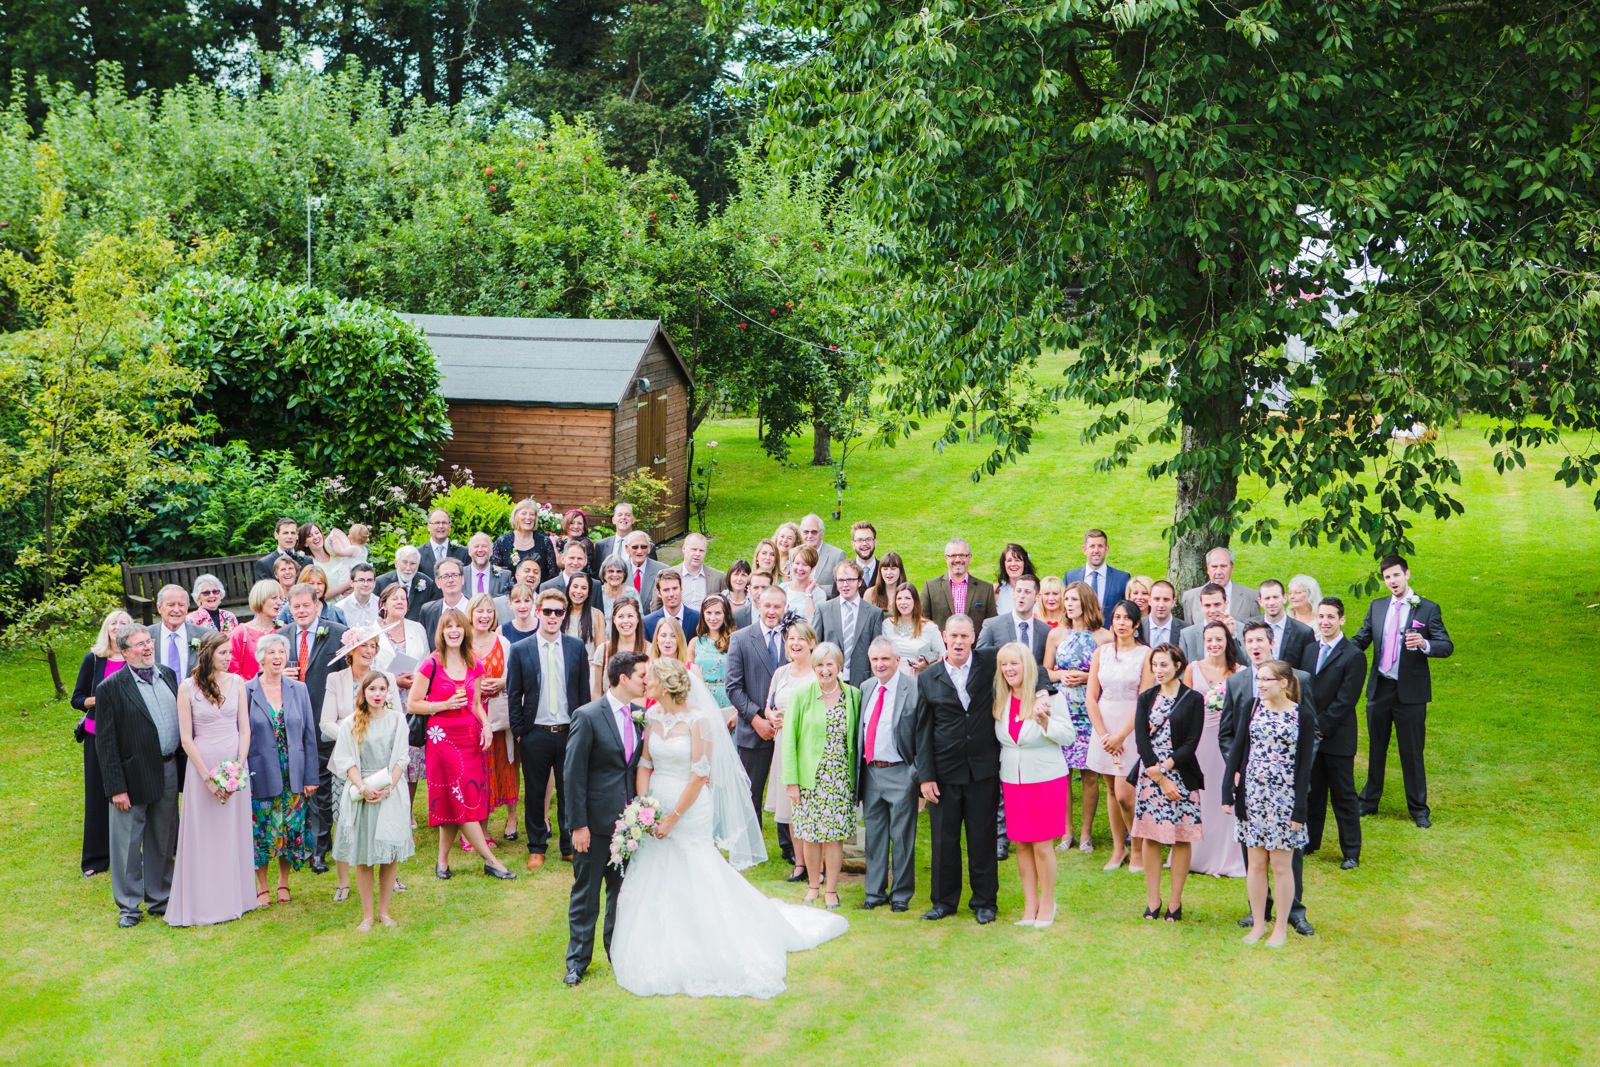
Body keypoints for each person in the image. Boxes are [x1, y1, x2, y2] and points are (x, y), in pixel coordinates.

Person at [609, 655, 846, 998]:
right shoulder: (653, 716)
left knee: (696, 868)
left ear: (667, 684)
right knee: (656, 869)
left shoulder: (698, 721)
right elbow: (645, 763)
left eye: (652, 678)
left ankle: (709, 936)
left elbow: (699, 775)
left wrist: (673, 818)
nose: (646, 682)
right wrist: (646, 808)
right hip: (657, 804)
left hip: (690, 808)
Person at [1218, 622, 1316, 934]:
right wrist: (1236, 771)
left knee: (1287, 859)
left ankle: (1294, 912)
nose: (1254, 645)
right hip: (1252, 788)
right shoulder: (1238, 685)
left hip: (1286, 790)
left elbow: (1311, 737)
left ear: (1271, 642)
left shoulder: (1301, 680)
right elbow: (1229, 735)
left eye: (1260, 639)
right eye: (1249, 641)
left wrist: (1296, 775)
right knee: (1255, 858)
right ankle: (1258, 913)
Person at [562, 652, 649, 986]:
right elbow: (573, 774)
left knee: (621, 894)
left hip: (628, 823)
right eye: (642, 675)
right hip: (593, 824)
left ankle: (617, 953)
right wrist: (578, 825)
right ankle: (577, 961)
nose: (646, 681)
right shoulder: (587, 716)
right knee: (586, 895)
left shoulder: (641, 715)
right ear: (623, 678)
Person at [410, 608, 515, 880]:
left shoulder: (474, 663)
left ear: (464, 631)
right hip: (442, 742)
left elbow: (476, 704)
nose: (454, 631)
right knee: (461, 802)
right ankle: (491, 861)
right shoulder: (431, 664)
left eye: (458, 626)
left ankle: (442, 862)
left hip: (469, 740)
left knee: (455, 802)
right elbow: (413, 703)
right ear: (441, 632)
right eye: (449, 627)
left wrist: (487, 725)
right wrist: (443, 705)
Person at [1351, 554, 1452, 827]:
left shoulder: (1428, 609)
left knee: (1412, 752)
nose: (1392, 581)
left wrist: (1425, 644)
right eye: (1387, 577)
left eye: (1396, 575)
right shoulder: (1377, 607)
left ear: (1407, 574)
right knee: (1376, 748)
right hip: (1380, 688)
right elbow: (1361, 639)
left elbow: (1446, 645)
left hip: (1411, 694)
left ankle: (1418, 809)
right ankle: (1369, 801)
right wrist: (1335, 648)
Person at [914, 615, 1002, 923]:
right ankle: (943, 901)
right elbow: (922, 730)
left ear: (974, 636)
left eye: (965, 636)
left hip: (982, 770)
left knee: (982, 838)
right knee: (944, 841)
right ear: (944, 637)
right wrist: (925, 777)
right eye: (954, 636)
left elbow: (1029, 666)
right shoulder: (929, 677)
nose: (959, 642)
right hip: (944, 773)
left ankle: (984, 902)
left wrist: (1043, 691)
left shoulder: (990, 663)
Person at [166, 632, 257, 927]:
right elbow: (186, 738)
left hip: (234, 763)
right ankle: (204, 902)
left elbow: (244, 729)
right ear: (208, 653)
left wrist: (239, 766)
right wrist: (207, 778)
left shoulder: (238, 683)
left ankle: (237, 897)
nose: (229, 658)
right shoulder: (187, 687)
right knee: (204, 833)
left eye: (230, 653)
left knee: (233, 830)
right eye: (223, 653)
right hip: (202, 765)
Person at [94, 627, 181, 928]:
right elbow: (105, 743)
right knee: (127, 845)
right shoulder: (110, 687)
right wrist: (116, 788)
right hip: (131, 778)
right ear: (125, 652)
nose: (147, 648)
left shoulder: (167, 675)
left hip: (168, 769)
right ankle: (129, 907)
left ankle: (160, 898)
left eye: (148, 641)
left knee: (163, 839)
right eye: (139, 644)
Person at [506, 590, 591, 872]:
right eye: (547, 611)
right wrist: (520, 730)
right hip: (536, 732)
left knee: (570, 790)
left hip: (568, 731)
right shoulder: (521, 649)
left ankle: (568, 846)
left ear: (564, 615)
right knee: (535, 791)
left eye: (558, 612)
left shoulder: (576, 647)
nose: (552, 617)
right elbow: (514, 693)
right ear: (538, 612)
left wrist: (582, 729)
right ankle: (536, 847)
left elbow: (583, 692)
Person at [992, 642, 1074, 927]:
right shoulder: (1001, 698)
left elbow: (1068, 735)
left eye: (1014, 663)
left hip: (1044, 779)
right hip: (1013, 780)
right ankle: (1030, 905)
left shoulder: (1049, 697)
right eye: (1004, 664)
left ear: (1027, 666)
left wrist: (1045, 723)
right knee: (1022, 845)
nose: (1009, 669)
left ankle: (1048, 904)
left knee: (1041, 845)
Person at [329, 671, 415, 931]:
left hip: (390, 791)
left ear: (388, 692)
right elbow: (346, 760)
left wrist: (389, 787)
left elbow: (402, 757)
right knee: (363, 856)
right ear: (363, 693)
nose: (377, 694)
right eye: (372, 689)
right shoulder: (351, 722)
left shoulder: (398, 720)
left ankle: (384, 912)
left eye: (381, 689)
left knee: (388, 855)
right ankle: (367, 915)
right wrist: (362, 786)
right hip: (362, 792)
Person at [783, 642, 861, 909]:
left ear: (839, 666)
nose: (825, 670)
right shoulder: (802, 695)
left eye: (830, 664)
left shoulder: (853, 695)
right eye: (819, 665)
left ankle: (831, 890)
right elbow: (789, 740)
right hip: (809, 779)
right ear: (813, 668)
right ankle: (813, 886)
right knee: (810, 836)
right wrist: (791, 782)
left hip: (840, 778)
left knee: (835, 837)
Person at [278, 582, 348, 872]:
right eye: (296, 607)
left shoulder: (338, 633)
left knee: (321, 786)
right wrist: (280, 674)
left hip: (324, 718)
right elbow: (266, 675)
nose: (301, 611)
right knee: (295, 785)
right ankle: (298, 843)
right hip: (291, 722)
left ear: (317, 605)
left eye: (306, 605)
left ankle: (320, 849)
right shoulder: (281, 637)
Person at [244, 634, 319, 907]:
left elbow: (309, 734)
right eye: (271, 652)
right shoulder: (247, 690)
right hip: (261, 771)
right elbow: (242, 734)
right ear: (261, 657)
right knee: (262, 830)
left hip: (294, 772)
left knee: (291, 828)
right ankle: (262, 885)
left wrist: (311, 776)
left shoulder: (298, 689)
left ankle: (284, 882)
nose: (277, 657)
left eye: (281, 652)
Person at [1132, 644, 1205, 922]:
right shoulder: (1146, 698)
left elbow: (1191, 742)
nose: (1158, 670)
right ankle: (1153, 900)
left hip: (1181, 774)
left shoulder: (1193, 699)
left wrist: (1167, 768)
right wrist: (1159, 775)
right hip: (1151, 776)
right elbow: (1141, 739)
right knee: (1151, 837)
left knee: (1181, 837)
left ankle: (1175, 902)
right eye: (1155, 665)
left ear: (1178, 665)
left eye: (1164, 664)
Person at [319, 625, 392, 901]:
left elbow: (394, 717)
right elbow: (326, 722)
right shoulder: (336, 679)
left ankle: (389, 873)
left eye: (374, 646)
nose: (370, 651)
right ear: (351, 651)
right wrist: (351, 737)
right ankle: (342, 881)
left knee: (382, 818)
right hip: (346, 760)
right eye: (364, 645)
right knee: (344, 819)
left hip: (378, 762)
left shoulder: (385, 678)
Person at [1084, 600, 1153, 871]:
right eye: (1117, 618)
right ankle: (1118, 848)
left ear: (1136, 624)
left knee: (1126, 793)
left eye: (1127, 618)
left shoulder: (1145, 654)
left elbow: (1144, 699)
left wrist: (1121, 736)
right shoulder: (1101, 652)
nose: (1121, 623)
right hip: (1104, 724)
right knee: (1111, 789)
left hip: (1130, 726)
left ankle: (1137, 848)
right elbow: (1091, 696)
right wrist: (1104, 734)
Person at [1043, 581, 1110, 851]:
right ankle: (1066, 832)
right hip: (1063, 707)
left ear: (1086, 602)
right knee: (1063, 773)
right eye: (1066, 599)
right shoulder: (1057, 635)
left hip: (1090, 708)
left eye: (1073, 599)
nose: (1068, 604)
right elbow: (1046, 671)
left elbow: (1111, 675)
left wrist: (1086, 677)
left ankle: (1085, 834)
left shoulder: (1104, 638)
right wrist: (1060, 674)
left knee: (1089, 773)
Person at [1301, 597, 1367, 869]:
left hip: (1338, 737)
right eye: (1321, 616)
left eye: (1331, 617)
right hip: (1311, 736)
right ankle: (1310, 841)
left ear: (1342, 620)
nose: (1325, 622)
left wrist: (1320, 728)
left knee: (1343, 795)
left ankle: (1351, 851)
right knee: (1313, 792)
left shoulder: (1353, 655)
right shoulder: (1309, 650)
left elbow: (1346, 699)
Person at [725, 587, 790, 854]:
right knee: (751, 790)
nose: (772, 611)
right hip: (754, 730)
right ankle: (751, 846)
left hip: (787, 729)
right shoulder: (741, 638)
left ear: (785, 607)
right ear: (759, 605)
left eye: (777, 606)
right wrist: (756, 719)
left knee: (788, 788)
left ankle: (790, 847)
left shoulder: (793, 637)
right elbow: (733, 687)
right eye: (768, 606)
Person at [857, 637, 918, 912]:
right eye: (875, 659)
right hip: (871, 772)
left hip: (900, 771)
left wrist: (916, 775)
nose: (880, 664)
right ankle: (874, 892)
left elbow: (921, 734)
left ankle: (901, 894)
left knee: (902, 837)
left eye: (885, 659)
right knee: (874, 835)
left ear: (897, 660)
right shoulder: (867, 687)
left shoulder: (913, 688)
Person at [71, 610, 133, 878]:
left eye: (123, 623)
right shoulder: (94, 659)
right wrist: (100, 699)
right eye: (113, 623)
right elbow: (77, 699)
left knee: (130, 795)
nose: (118, 627)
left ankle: (129, 853)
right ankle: (95, 858)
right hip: (97, 735)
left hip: (129, 736)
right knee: (98, 795)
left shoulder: (135, 658)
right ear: (106, 628)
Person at [1186, 621, 1247, 878]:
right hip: (1200, 739)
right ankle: (1197, 854)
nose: (1214, 644)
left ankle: (1230, 855)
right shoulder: (1193, 669)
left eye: (1219, 639)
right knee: (1202, 794)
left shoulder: (1240, 671)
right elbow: (1185, 706)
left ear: (1227, 641)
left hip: (1229, 741)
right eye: (1209, 639)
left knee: (1228, 792)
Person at [763, 620, 819, 879]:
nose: (795, 644)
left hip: (808, 746)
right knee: (791, 807)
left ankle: (817, 864)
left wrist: (794, 720)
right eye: (791, 639)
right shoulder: (781, 673)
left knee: (809, 807)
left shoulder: (817, 674)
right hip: (783, 744)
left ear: (812, 643)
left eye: (801, 639)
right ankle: (800, 864)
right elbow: (769, 705)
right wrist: (771, 716)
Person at [373, 583, 428, 822]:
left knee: (412, 756)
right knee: (389, 755)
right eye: (394, 598)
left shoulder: (417, 628)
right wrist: (393, 681)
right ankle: (388, 807)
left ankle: (408, 810)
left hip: (413, 699)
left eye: (403, 599)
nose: (400, 602)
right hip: (385, 699)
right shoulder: (372, 631)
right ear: (383, 604)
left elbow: (426, 660)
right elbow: (370, 668)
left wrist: (418, 679)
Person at [468, 595, 517, 846]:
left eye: (489, 611)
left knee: (491, 771)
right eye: (480, 611)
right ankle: (469, 830)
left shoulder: (503, 643)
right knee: (471, 773)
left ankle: (485, 829)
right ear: (471, 613)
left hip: (496, 716)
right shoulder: (462, 641)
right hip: (469, 715)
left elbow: (514, 675)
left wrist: (502, 682)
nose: (485, 616)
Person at [815, 560, 884, 686]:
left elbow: (877, 651)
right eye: (841, 580)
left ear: (859, 582)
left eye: (850, 580)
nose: (845, 585)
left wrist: (873, 682)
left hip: (862, 681)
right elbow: (815, 647)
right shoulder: (823, 610)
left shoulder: (874, 614)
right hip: (829, 679)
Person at [922, 538, 996, 630]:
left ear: (969, 557)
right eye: (953, 555)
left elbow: (992, 626)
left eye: (962, 555)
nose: (957, 559)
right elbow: (922, 622)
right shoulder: (930, 588)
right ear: (946, 558)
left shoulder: (985, 589)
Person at [977, 572, 1049, 667]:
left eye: (1027, 592)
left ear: (1037, 597)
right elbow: (979, 661)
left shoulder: (1045, 631)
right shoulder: (992, 626)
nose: (1022, 595)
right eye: (1018, 591)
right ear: (1013, 593)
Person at [148, 584, 210, 682]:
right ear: (159, 608)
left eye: (181, 605)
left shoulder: (205, 636)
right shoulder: (147, 636)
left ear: (187, 608)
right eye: (171, 605)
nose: (177, 610)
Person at [1181, 547, 1257, 623]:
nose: (1218, 572)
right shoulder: (1190, 597)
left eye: (1223, 566)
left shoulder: (1251, 596)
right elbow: (1189, 629)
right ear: (1207, 569)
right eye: (1214, 567)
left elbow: (1256, 628)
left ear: (1232, 568)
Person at [883, 582, 944, 675]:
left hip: (918, 677)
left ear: (915, 601)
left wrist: (926, 662)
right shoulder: (887, 625)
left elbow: (941, 654)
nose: (903, 602)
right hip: (892, 676)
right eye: (899, 598)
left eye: (907, 598)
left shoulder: (930, 627)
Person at [1063, 529, 1130, 613]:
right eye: (1092, 546)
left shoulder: (1122, 578)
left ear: (1106, 549)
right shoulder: (1070, 577)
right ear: (1084, 549)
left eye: (1100, 546)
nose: (1096, 550)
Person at [1178, 583, 1243, 665]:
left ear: (1226, 604)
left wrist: (1232, 636)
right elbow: (1181, 668)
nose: (1212, 610)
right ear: (1201, 606)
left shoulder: (1241, 629)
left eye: (1217, 604)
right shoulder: (1187, 635)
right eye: (1207, 605)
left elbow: (1246, 664)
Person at [494, 498, 559, 581]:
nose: (528, 517)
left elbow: (553, 575)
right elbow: (495, 572)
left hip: (538, 589)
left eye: (532, 514)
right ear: (516, 516)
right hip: (509, 589)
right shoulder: (503, 541)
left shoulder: (545, 542)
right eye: (524, 513)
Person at [564, 573, 607, 696]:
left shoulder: (596, 614)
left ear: (589, 592)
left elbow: (600, 649)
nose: (578, 591)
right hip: (563, 668)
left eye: (583, 588)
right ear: (569, 588)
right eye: (575, 586)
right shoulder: (560, 613)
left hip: (589, 670)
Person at [692, 594, 735, 716]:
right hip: (702, 700)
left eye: (718, 613)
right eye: (709, 613)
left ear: (725, 614)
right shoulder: (695, 642)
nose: (713, 618)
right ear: (703, 615)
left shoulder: (734, 640)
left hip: (727, 699)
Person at [1257, 579, 1316, 664]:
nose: (1271, 602)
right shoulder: (1249, 627)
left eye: (1275, 597)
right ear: (1260, 601)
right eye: (1267, 598)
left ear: (1284, 598)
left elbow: (1309, 666)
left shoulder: (1304, 632)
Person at [374, 545, 436, 623]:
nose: (408, 568)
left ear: (418, 565)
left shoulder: (427, 583)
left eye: (413, 563)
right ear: (396, 563)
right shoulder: (380, 583)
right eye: (404, 562)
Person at [419, 557, 470, 646]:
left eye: (455, 575)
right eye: (445, 576)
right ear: (438, 582)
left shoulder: (475, 609)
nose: (450, 580)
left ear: (462, 579)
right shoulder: (428, 611)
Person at [275, 565, 349, 627]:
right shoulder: (288, 609)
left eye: (319, 583)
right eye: (311, 583)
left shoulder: (335, 612)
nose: (315, 587)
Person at [670, 532, 727, 611]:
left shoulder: (718, 578)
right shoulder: (669, 575)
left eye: (701, 550)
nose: (697, 554)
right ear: (683, 549)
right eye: (694, 549)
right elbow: (657, 607)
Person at [642, 570, 701, 641]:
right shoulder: (648, 623)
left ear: (681, 589)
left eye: (675, 588)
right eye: (666, 590)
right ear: (658, 593)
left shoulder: (698, 619)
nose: (671, 594)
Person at [298, 523, 349, 598]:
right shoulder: (310, 565)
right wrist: (349, 584)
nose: (315, 537)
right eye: (310, 536)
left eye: (317, 533)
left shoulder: (337, 554)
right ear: (305, 543)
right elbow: (319, 595)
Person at [593, 502, 655, 566]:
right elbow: (597, 570)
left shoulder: (647, 547)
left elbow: (653, 570)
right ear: (613, 520)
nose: (623, 517)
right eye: (620, 515)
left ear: (633, 520)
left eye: (628, 515)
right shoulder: (601, 546)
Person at [417, 508, 470, 578]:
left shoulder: (463, 553)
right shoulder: (418, 554)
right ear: (428, 527)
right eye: (437, 523)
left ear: (450, 526)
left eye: (444, 523)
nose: (441, 526)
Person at [798, 513, 846, 590]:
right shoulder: (793, 553)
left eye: (814, 532)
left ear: (821, 533)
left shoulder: (837, 555)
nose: (809, 536)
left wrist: (818, 589)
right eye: (806, 532)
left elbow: (842, 585)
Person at [779, 546, 827, 623]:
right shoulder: (782, 588)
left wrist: (808, 595)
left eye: (805, 564)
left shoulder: (819, 594)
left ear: (813, 568)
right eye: (797, 563)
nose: (800, 568)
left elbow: (813, 622)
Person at [1140, 580, 1188, 649]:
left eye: (1166, 599)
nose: (1161, 605)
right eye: (1157, 599)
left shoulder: (1185, 630)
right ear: (1149, 601)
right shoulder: (1137, 627)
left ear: (1173, 602)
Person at [621, 532, 666, 607]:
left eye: (643, 547)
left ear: (649, 548)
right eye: (635, 547)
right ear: (627, 548)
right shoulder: (619, 570)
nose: (639, 551)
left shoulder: (663, 570)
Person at [463, 532, 512, 599]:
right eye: (476, 546)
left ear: (491, 551)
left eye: (484, 546)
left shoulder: (505, 576)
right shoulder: (460, 574)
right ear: (469, 551)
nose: (480, 550)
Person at [991, 543, 1035, 617]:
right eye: (1009, 560)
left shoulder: (1037, 588)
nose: (1013, 564)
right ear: (1004, 564)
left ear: (1025, 563)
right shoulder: (996, 590)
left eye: (1017, 560)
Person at [555, 508, 598, 578]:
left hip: (582, 581)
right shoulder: (562, 541)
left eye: (579, 523)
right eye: (572, 523)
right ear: (566, 525)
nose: (576, 526)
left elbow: (561, 563)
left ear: (583, 527)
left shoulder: (586, 543)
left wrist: (553, 544)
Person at [335, 563, 381, 629]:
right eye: (361, 580)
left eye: (369, 580)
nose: (366, 584)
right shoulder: (340, 608)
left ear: (374, 583)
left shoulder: (381, 604)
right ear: (351, 583)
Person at [606, 597, 648, 662]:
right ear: (614, 619)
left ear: (638, 618)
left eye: (630, 616)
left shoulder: (649, 649)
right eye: (620, 616)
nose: (625, 621)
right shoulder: (604, 650)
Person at [598, 556, 632, 622]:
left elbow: (639, 619)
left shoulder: (632, 593)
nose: (615, 574)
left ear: (624, 574)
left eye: (619, 571)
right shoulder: (598, 593)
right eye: (611, 571)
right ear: (604, 574)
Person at [849, 520, 880, 589]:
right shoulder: (844, 572)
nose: (864, 544)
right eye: (859, 540)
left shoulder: (885, 571)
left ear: (875, 542)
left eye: (868, 539)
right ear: (853, 544)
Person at [725, 560, 753, 626]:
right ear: (729, 576)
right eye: (736, 574)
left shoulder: (753, 601)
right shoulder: (720, 598)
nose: (739, 579)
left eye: (743, 575)